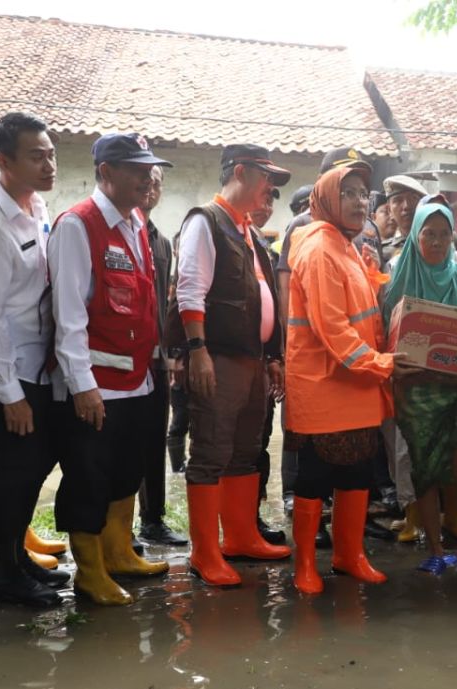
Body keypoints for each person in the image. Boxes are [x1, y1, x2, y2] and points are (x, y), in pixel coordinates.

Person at [283, 160, 419, 594]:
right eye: (350, 193)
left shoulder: (345, 244)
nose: (361, 202)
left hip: (356, 386)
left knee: (358, 472)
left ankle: (349, 554)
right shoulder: (320, 249)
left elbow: (362, 309)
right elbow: (334, 330)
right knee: (315, 478)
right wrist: (383, 365)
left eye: (365, 194)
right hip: (326, 388)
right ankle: (305, 563)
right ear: (326, 199)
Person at [48, 132, 172, 605]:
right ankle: (90, 571)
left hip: (137, 379)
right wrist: (83, 387)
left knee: (126, 471)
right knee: (88, 477)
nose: (148, 177)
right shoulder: (78, 226)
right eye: (136, 169)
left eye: (149, 169)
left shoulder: (135, 222)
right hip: (97, 385)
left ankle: (119, 552)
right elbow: (69, 316)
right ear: (106, 173)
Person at [0, 112, 69, 607]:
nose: (49, 163)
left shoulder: (35, 203)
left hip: (39, 362)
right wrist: (10, 396)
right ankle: (2, 572)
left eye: (50, 153)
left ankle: (17, 558)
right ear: (3, 161)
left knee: (33, 467)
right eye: (36, 155)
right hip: (8, 369)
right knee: (13, 470)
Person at [175, 144, 292, 586]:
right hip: (219, 357)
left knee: (245, 451)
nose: (270, 191)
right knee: (210, 451)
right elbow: (189, 288)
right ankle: (205, 552)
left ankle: (240, 536)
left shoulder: (249, 231)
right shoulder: (205, 221)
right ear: (240, 172)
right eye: (266, 179)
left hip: (252, 360)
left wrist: (273, 356)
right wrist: (197, 349)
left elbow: (267, 300)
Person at [383, 202, 457, 577]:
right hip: (417, 395)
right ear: (415, 236)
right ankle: (434, 549)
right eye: (428, 233)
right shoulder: (399, 282)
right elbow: (387, 342)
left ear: (453, 237)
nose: (436, 241)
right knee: (426, 472)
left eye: (443, 233)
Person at [130, 165, 187, 547]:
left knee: (152, 439)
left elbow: (167, 302)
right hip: (119, 358)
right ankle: (113, 530)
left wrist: (171, 355)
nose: (151, 187)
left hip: (156, 357)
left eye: (157, 181)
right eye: (144, 179)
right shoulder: (111, 232)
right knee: (121, 445)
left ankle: (152, 520)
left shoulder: (162, 241)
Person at [250, 187, 287, 545]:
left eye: (271, 200)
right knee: (235, 448)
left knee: (259, 442)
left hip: (264, 362)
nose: (267, 206)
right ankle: (237, 526)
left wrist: (275, 357)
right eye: (262, 197)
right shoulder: (215, 229)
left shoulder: (264, 247)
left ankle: (252, 518)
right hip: (236, 360)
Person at [380, 175, 426, 265]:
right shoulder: (384, 252)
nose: (406, 206)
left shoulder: (446, 240)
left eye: (413, 199)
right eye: (398, 200)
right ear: (389, 211)